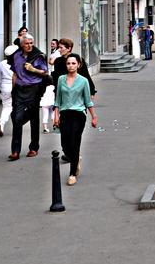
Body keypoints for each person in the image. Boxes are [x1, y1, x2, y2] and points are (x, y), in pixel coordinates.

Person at [53, 54, 97, 185]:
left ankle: (72, 174)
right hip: (65, 114)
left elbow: (88, 101)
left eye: (73, 63)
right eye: (68, 63)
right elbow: (57, 99)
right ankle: (76, 158)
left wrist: (94, 117)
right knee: (65, 144)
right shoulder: (61, 79)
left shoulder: (83, 81)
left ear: (78, 65)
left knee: (75, 141)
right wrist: (56, 115)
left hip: (79, 114)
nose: (70, 66)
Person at [8, 33, 49, 160]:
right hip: (19, 90)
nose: (30, 45)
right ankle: (15, 151)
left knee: (34, 119)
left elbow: (45, 72)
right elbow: (15, 73)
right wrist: (12, 89)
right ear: (21, 45)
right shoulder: (16, 56)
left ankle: (33, 148)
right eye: (27, 43)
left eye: (31, 43)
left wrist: (33, 70)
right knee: (16, 118)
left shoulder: (38, 56)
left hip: (34, 89)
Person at [40, 39, 61, 133]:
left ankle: (46, 127)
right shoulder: (52, 87)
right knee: (52, 112)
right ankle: (55, 125)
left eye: (53, 44)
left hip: (44, 102)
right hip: (51, 101)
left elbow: (51, 62)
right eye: (51, 43)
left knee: (45, 113)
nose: (51, 45)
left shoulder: (56, 53)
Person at [0, 44, 16, 137]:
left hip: (4, 86)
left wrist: (0, 88)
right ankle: (16, 125)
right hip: (15, 86)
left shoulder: (1, 63)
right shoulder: (17, 62)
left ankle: (2, 123)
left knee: (6, 107)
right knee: (15, 107)